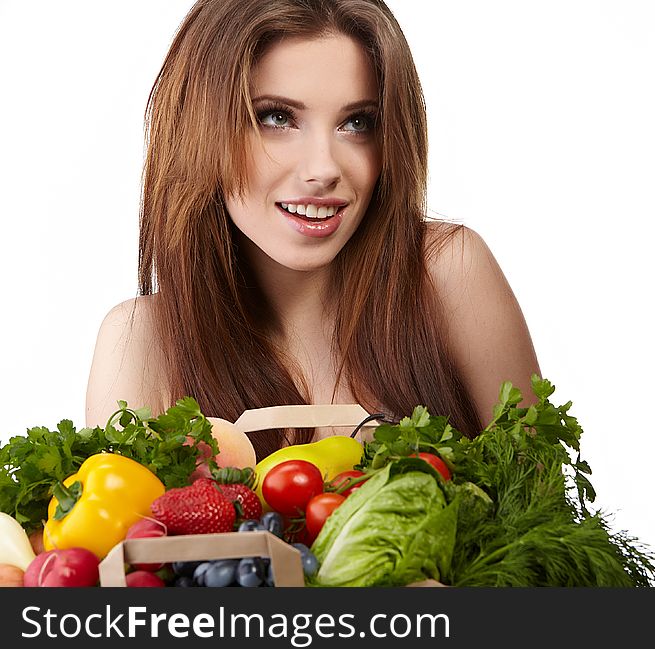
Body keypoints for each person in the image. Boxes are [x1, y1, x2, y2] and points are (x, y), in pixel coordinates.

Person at [85, 0, 540, 460]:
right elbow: (119, 522)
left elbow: (545, 519)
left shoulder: (447, 272)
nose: (323, 169)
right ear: (198, 128)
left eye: (357, 122)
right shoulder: (141, 343)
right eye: (277, 118)